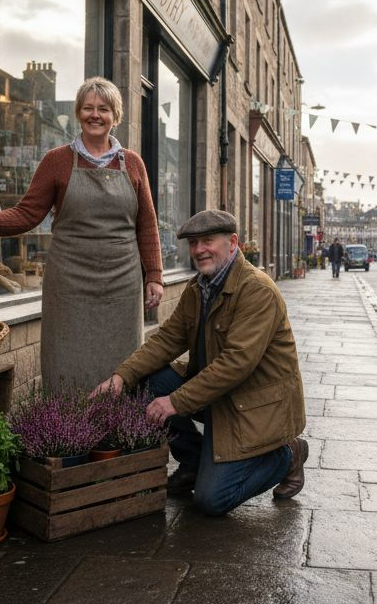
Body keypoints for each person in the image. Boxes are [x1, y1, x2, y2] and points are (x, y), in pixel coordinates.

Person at [0, 77, 164, 393]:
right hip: (69, 282)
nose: (95, 115)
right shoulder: (57, 161)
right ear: (78, 113)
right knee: (66, 363)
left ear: (116, 115)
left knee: (122, 364)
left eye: (103, 109)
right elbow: (27, 213)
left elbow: (147, 225)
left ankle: (118, 437)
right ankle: (66, 435)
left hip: (122, 284)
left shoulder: (134, 164)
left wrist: (154, 275)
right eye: (88, 108)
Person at [91, 210, 308, 516]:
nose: (198, 250)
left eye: (208, 240)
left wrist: (175, 402)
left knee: (211, 500)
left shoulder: (256, 289)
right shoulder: (199, 287)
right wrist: (120, 377)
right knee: (145, 382)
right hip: (219, 397)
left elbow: (236, 363)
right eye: (193, 243)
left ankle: (288, 454)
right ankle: (193, 463)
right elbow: (166, 339)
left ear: (232, 243)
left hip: (254, 407)